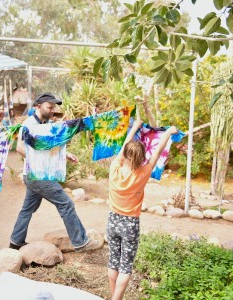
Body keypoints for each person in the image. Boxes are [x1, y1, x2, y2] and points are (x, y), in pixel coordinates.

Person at [9, 92, 101, 252]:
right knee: (66, 204)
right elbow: (19, 147)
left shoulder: (45, 123)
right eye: (49, 107)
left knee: (27, 209)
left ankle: (15, 242)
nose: (52, 110)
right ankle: (80, 242)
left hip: (34, 175)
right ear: (38, 106)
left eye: (53, 107)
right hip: (38, 175)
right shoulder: (30, 124)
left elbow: (46, 147)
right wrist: (37, 160)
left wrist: (64, 154)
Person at [107, 119, 178, 300]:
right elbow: (157, 151)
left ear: (125, 155)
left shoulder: (115, 168)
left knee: (113, 262)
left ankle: (113, 296)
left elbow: (124, 145)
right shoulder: (144, 172)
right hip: (130, 224)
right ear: (141, 158)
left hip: (113, 221)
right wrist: (168, 132)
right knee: (125, 266)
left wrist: (136, 127)